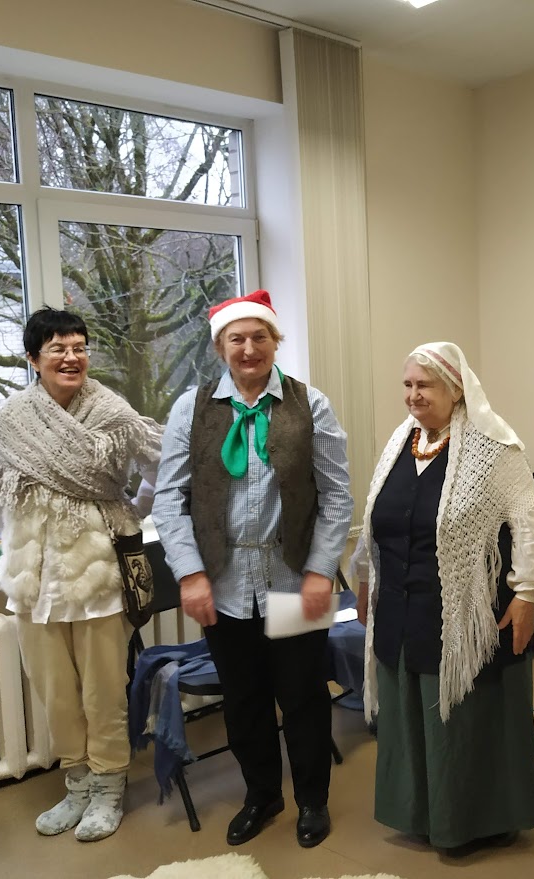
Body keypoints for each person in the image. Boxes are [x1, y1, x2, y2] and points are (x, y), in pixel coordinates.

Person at [152, 289, 353, 848]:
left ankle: (312, 800)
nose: (248, 349)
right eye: (236, 339)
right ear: (220, 347)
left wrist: (321, 571)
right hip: (223, 586)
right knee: (243, 702)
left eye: (259, 337)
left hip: (294, 582)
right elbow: (169, 500)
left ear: (275, 342)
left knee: (304, 697)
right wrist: (191, 574)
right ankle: (262, 795)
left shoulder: (310, 404)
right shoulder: (191, 409)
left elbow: (337, 495)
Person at [353, 341, 534, 855]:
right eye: (407, 385)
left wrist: (528, 594)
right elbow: (375, 521)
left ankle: (477, 820)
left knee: (463, 722)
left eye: (425, 385)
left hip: (469, 616)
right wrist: (364, 581)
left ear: (456, 389)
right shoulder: (400, 443)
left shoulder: (495, 448)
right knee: (410, 713)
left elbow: (530, 522)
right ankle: (419, 814)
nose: (413, 395)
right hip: (401, 607)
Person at [0, 307, 163, 842]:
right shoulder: (10, 420)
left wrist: (131, 510)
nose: (71, 357)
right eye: (58, 348)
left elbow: (161, 464)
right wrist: (23, 530)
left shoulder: (111, 410)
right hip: (34, 582)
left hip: (100, 580)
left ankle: (109, 788)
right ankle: (76, 785)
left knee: (104, 692)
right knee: (55, 692)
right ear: (34, 359)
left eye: (79, 347)